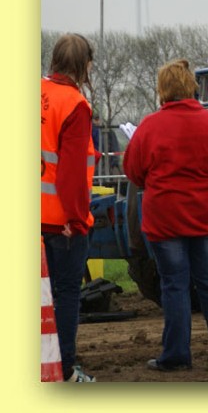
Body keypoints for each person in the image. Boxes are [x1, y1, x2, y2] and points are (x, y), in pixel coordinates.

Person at [123, 59, 208, 371]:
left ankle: (176, 355)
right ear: (190, 86)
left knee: (174, 285)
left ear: (163, 90)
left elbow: (134, 172)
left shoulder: (150, 126)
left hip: (166, 219)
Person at [41, 33, 98, 382]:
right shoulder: (75, 105)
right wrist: (77, 220)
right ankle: (64, 369)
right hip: (60, 223)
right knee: (65, 295)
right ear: (84, 65)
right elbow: (72, 174)